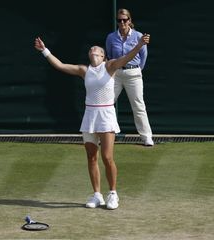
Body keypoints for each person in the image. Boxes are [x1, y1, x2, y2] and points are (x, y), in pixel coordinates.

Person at [34, 34, 150, 210]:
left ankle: (113, 194)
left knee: (107, 157)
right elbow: (60, 66)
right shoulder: (84, 70)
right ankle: (97, 195)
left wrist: (140, 45)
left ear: (103, 56)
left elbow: (127, 58)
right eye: (91, 49)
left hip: (106, 115)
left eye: (97, 49)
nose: (93, 50)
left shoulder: (110, 66)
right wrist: (44, 50)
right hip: (90, 116)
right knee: (91, 157)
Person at [106, 8, 154, 146]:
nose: (122, 23)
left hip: (134, 74)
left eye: (124, 20)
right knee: (107, 103)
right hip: (116, 74)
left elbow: (143, 57)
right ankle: (105, 134)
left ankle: (146, 137)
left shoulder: (139, 36)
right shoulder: (111, 37)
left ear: (130, 21)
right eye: (119, 20)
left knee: (138, 106)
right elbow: (109, 55)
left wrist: (136, 69)